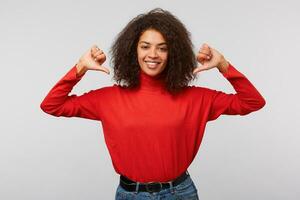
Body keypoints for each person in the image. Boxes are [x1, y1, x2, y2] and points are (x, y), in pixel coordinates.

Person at [40, 8, 266, 200]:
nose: (153, 54)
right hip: (130, 194)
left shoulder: (197, 98)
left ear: (173, 53)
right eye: (145, 46)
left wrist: (223, 65)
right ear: (133, 50)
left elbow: (253, 102)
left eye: (163, 47)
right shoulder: (108, 99)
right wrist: (80, 67)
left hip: (180, 193)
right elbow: (52, 105)